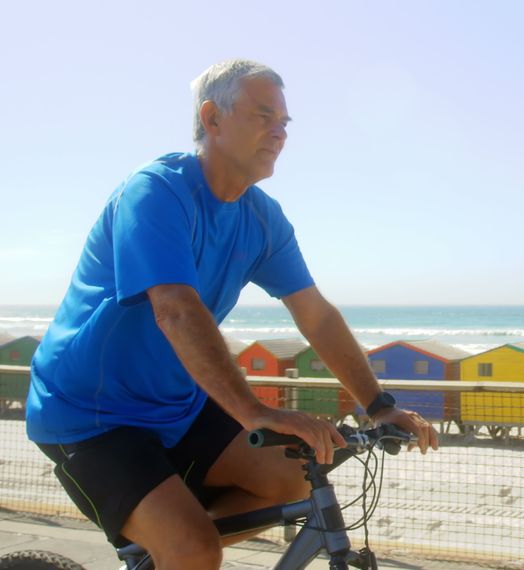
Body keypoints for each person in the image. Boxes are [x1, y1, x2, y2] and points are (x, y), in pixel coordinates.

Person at [25, 59, 437, 569]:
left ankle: (166, 552)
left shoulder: (262, 219)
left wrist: (377, 405)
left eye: (285, 122)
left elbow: (315, 315)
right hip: (91, 413)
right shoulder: (155, 192)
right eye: (264, 115)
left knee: (286, 481)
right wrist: (256, 412)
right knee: (194, 549)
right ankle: (178, 549)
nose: (279, 132)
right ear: (212, 118)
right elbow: (175, 310)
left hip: (178, 407)